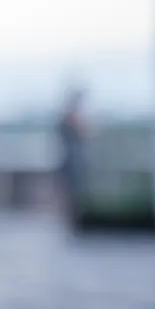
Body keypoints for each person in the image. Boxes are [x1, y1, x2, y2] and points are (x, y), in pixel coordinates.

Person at [56, 88, 88, 223]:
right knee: (72, 193)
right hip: (72, 162)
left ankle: (73, 220)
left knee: (71, 193)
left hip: (70, 161)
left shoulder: (66, 117)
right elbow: (85, 133)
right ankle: (74, 221)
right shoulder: (70, 118)